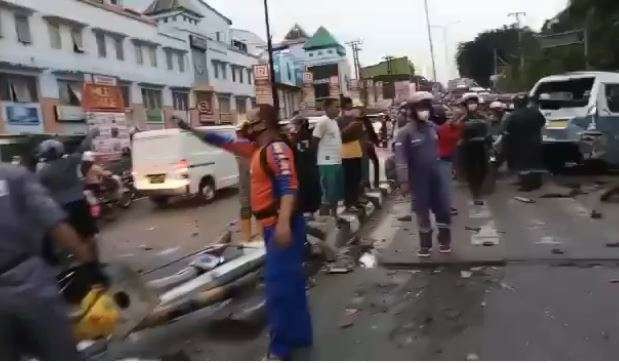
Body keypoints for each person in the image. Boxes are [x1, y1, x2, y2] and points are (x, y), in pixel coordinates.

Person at [177, 105, 312, 360]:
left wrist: (282, 223)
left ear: (263, 124)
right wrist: (191, 130)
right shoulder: (258, 150)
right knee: (292, 285)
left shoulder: (276, 149)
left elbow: (288, 187)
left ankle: (280, 350)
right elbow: (223, 142)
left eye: (251, 121)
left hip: (282, 226)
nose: (246, 126)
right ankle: (300, 337)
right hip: (276, 226)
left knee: (278, 289)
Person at [0, 163, 107, 360]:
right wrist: (90, 265)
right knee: (60, 353)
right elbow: (54, 223)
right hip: (29, 282)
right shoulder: (14, 175)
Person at [395, 92, 453, 257]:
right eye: (420, 108)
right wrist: (404, 181)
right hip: (418, 178)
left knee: (443, 208)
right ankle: (425, 245)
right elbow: (401, 158)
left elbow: (444, 147)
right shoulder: (405, 133)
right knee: (422, 212)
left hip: (437, 176)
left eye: (426, 107)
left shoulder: (432, 128)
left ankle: (445, 241)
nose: (424, 111)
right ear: (413, 110)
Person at [37, 129, 100, 261]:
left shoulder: (43, 172)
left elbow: (39, 190)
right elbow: (84, 147)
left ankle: (79, 260)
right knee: (89, 236)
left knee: (70, 238)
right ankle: (93, 263)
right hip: (78, 204)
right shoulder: (72, 161)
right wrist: (91, 134)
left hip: (60, 209)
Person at [503, 94, 546, 191]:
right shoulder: (535, 112)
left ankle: (526, 185)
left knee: (523, 165)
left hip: (520, 144)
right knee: (535, 162)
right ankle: (537, 183)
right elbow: (542, 122)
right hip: (536, 142)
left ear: (515, 104)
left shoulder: (513, 115)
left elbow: (506, 130)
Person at [457, 93, 491, 205]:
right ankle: (475, 192)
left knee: (483, 169)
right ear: (466, 105)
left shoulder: (483, 117)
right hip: (467, 148)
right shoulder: (461, 118)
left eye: (474, 103)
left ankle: (479, 187)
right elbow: (457, 132)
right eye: (470, 103)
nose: (472, 105)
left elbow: (488, 131)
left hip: (481, 147)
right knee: (470, 171)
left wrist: (489, 143)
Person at [313, 98, 344, 215]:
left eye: (339, 106)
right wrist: (316, 159)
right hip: (326, 163)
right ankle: (325, 218)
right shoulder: (323, 122)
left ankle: (334, 215)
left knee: (335, 192)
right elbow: (315, 140)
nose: (338, 109)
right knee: (327, 193)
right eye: (336, 106)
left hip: (337, 161)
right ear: (327, 108)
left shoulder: (334, 122)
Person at [289, 116, 322, 216]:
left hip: (304, 169)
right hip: (309, 168)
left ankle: (308, 214)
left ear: (300, 125)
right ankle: (311, 212)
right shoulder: (305, 135)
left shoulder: (302, 136)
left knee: (306, 191)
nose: (293, 127)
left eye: (295, 125)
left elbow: (302, 152)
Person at [338, 97, 365, 211]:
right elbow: (341, 136)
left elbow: (361, 133)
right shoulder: (339, 120)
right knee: (349, 179)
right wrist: (351, 128)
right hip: (346, 153)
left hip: (356, 151)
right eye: (349, 105)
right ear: (345, 105)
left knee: (357, 177)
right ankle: (349, 203)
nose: (351, 107)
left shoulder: (356, 118)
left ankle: (355, 200)